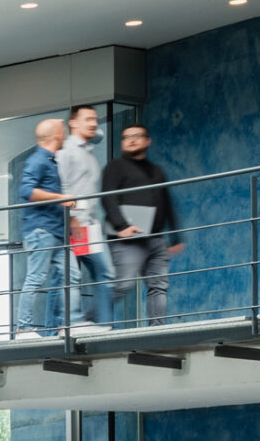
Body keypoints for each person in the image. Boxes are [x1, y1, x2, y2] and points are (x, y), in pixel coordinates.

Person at [102, 123, 186, 325]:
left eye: (136, 135)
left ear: (147, 140)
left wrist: (176, 237)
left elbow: (167, 202)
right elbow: (108, 198)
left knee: (158, 285)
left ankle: (157, 329)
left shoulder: (157, 171)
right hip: (128, 239)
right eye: (126, 137)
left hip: (155, 239)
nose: (130, 139)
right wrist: (121, 226)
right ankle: (90, 322)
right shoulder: (115, 166)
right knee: (123, 284)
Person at [14, 119, 74, 338]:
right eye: (63, 130)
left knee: (69, 276)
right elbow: (27, 190)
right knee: (36, 278)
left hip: (56, 232)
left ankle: (61, 327)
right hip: (42, 232)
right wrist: (61, 198)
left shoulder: (51, 161)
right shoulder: (38, 160)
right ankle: (23, 328)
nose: (66, 133)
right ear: (57, 134)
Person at [58, 104, 112, 330]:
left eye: (95, 119)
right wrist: (71, 218)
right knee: (72, 276)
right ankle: (71, 323)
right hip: (74, 224)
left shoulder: (89, 155)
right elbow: (62, 187)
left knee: (105, 273)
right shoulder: (66, 152)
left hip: (89, 226)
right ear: (73, 123)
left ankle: (104, 325)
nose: (93, 123)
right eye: (88, 119)